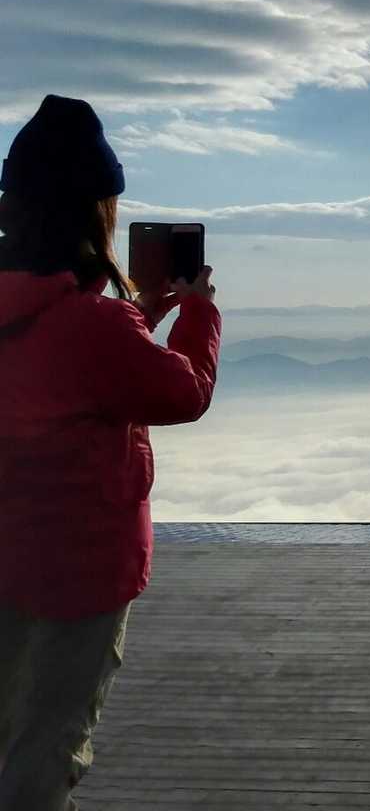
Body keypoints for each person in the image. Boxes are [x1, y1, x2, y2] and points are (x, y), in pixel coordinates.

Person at [0, 95, 222, 809]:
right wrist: (197, 312)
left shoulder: (77, 323)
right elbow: (183, 392)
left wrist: (137, 319)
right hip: (77, 574)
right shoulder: (95, 328)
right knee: (44, 746)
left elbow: (67, 368)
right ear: (96, 214)